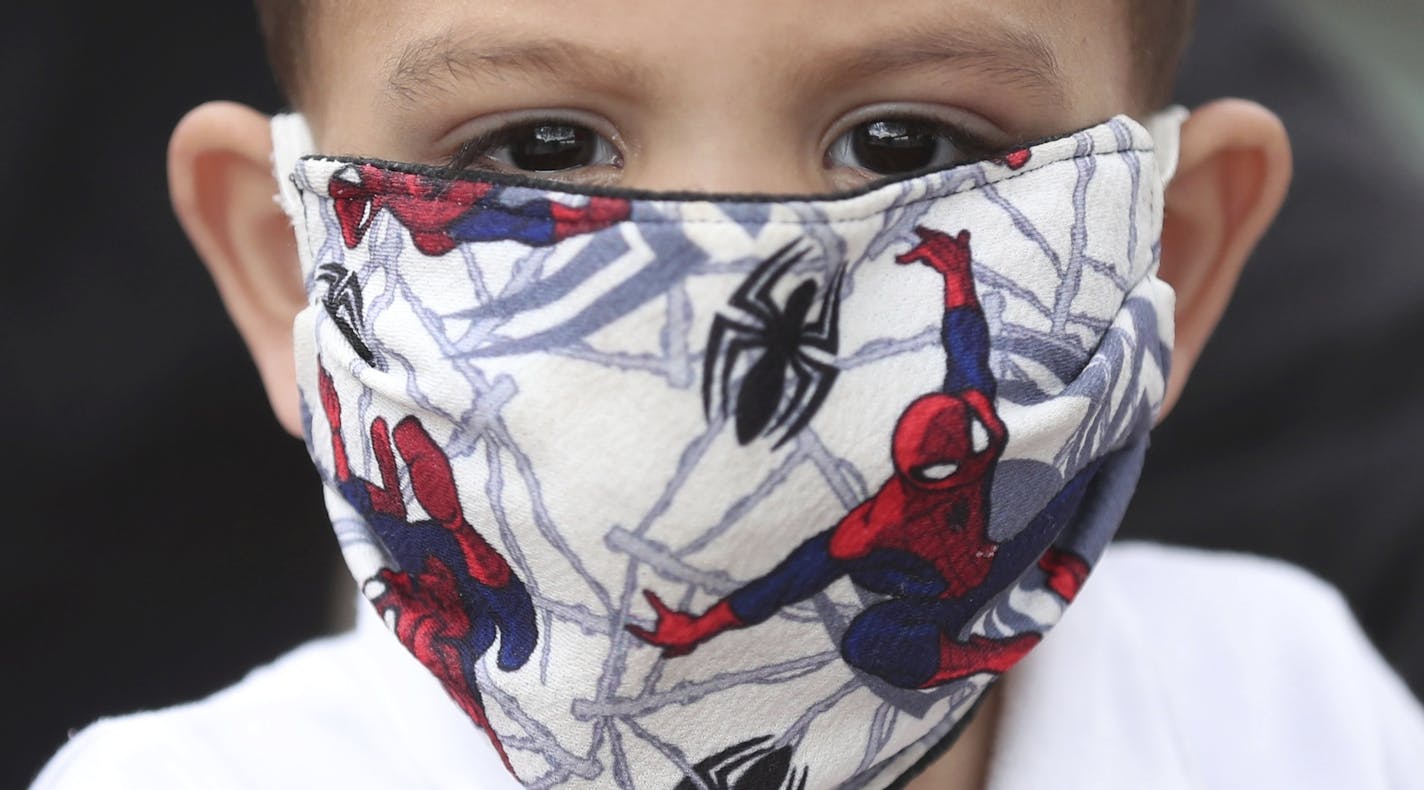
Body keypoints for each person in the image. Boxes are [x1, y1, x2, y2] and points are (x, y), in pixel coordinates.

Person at [31, 1, 1424, 788]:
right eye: (544, 144)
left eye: (901, 140)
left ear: (1161, 253)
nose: (729, 258)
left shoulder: (1292, 713)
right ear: (292, 273)